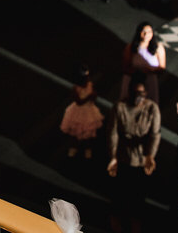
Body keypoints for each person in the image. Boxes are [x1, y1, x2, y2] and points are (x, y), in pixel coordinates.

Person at [107, 76, 162, 233]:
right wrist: (113, 157)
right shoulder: (119, 107)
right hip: (123, 156)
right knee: (119, 193)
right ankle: (115, 220)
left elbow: (155, 134)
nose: (139, 96)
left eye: (142, 93)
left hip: (141, 159)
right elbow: (112, 133)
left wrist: (150, 155)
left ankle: (135, 222)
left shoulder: (152, 109)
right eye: (136, 93)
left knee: (138, 196)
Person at [59, 65, 103, 159]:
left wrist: (93, 95)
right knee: (75, 133)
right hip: (78, 112)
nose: (87, 79)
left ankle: (88, 150)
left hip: (89, 112)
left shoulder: (90, 84)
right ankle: (73, 148)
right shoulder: (76, 89)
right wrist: (89, 97)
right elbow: (78, 102)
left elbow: (94, 95)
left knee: (88, 134)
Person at [120, 21, 166, 103]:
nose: (146, 35)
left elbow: (162, 68)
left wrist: (150, 70)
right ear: (139, 33)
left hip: (150, 80)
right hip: (132, 80)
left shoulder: (158, 48)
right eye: (143, 32)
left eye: (149, 32)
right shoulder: (131, 47)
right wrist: (136, 72)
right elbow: (125, 67)